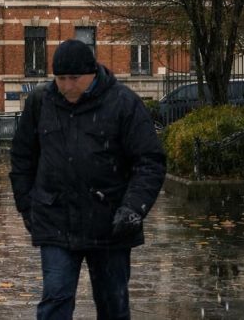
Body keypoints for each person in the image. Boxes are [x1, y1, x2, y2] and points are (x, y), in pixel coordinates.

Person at [10, 39, 166, 320]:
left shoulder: (123, 103)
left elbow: (149, 161)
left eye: (74, 78)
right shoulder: (40, 103)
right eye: (61, 78)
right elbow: (22, 157)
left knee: (113, 303)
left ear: (92, 74)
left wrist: (133, 208)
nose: (68, 86)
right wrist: (27, 204)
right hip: (55, 219)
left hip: (110, 223)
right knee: (55, 297)